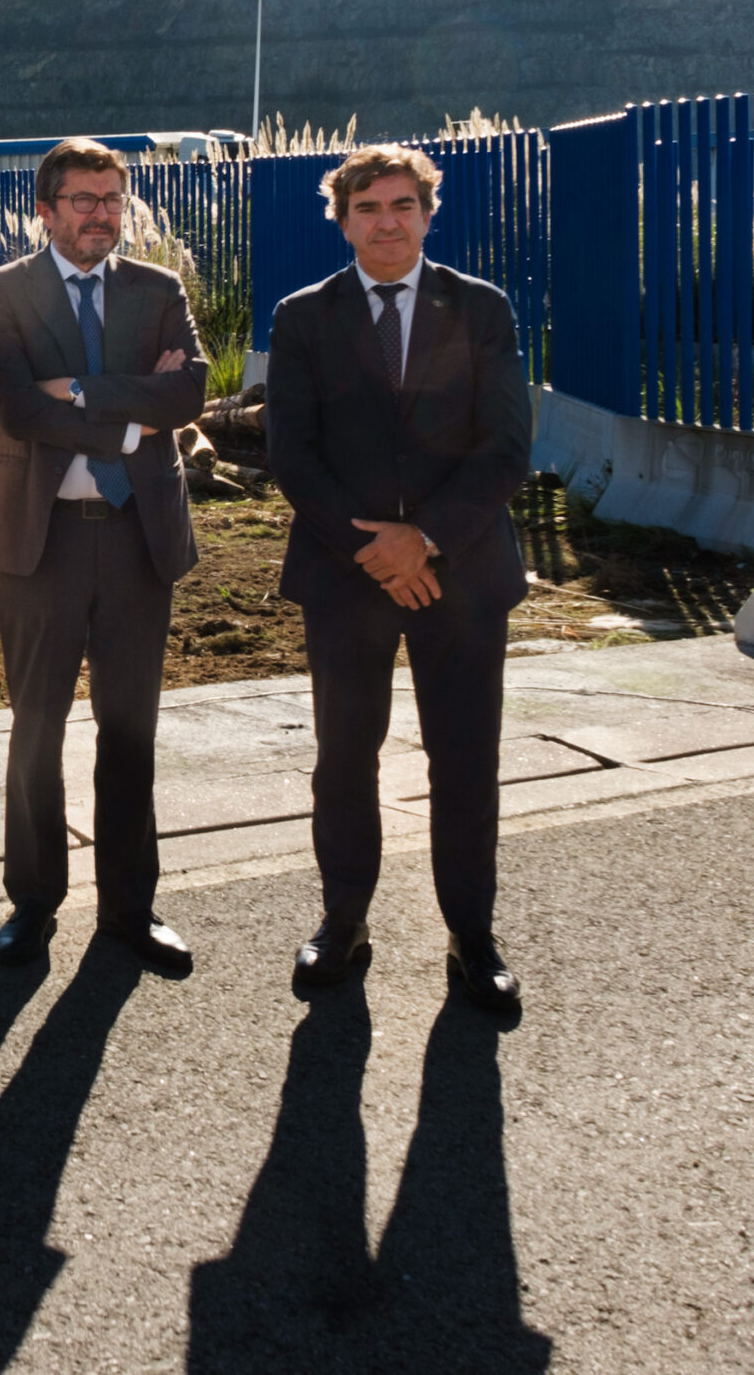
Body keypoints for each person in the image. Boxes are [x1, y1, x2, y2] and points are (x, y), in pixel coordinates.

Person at [266, 144, 533, 1012]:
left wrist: (425, 539)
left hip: (461, 572)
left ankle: (472, 933)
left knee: (465, 758)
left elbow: (505, 446)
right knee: (345, 757)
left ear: (428, 212)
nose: (387, 220)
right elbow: (292, 455)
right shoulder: (303, 317)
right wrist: (375, 551)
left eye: (403, 204)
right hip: (349, 580)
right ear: (341, 219)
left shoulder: (482, 307)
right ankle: (342, 921)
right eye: (369, 206)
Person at [0, 138, 207, 977]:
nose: (100, 212)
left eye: (112, 197)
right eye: (82, 198)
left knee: (131, 728)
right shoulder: (2, 293)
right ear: (46, 207)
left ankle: (130, 907)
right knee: (36, 727)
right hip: (42, 540)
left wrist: (81, 390)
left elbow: (191, 392)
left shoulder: (158, 290)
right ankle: (33, 902)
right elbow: (17, 411)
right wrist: (134, 412)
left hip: (138, 537)